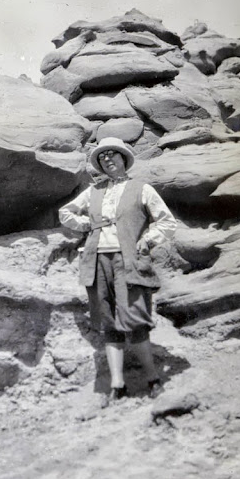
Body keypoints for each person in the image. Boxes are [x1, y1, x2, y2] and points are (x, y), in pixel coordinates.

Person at [58, 136, 176, 402]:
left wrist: (148, 240)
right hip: (97, 260)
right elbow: (65, 213)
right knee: (108, 323)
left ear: (124, 158)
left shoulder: (142, 189)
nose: (107, 159)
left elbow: (167, 222)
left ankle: (153, 379)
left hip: (129, 262)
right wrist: (86, 225)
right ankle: (118, 385)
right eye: (102, 157)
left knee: (135, 320)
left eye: (112, 154)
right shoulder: (93, 191)